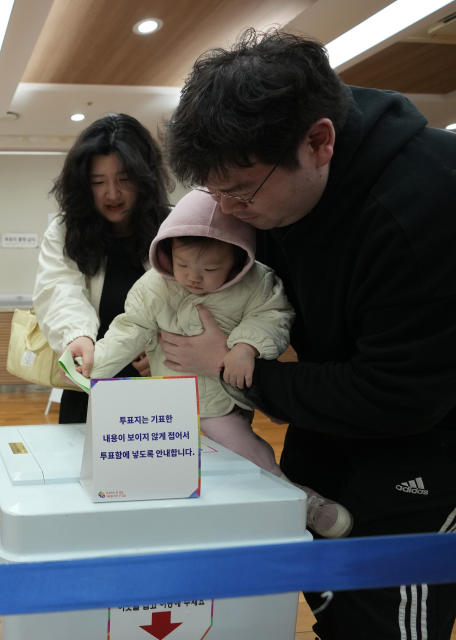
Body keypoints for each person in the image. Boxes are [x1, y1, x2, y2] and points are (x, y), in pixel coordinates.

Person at [163, 29, 456, 639]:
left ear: (319, 141)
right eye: (213, 192)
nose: (228, 207)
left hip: (426, 444)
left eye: (240, 190)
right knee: (326, 590)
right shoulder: (272, 189)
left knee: (384, 618)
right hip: (334, 427)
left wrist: (235, 368)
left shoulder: (419, 210)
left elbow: (398, 394)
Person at [81, 189, 350, 538]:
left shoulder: (258, 283)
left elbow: (273, 314)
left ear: (237, 260)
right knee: (155, 473)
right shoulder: (155, 287)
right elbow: (128, 329)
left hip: (219, 405)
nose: (193, 278)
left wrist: (245, 346)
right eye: (182, 265)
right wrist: (94, 364)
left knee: (246, 453)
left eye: (209, 268)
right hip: (167, 403)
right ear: (166, 255)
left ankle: (300, 501)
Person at [33, 113, 171, 423]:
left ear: (145, 178)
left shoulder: (172, 229)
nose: (112, 193)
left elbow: (195, 296)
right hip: (89, 382)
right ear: (83, 184)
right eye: (98, 182)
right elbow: (58, 290)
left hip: (161, 386)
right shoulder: (65, 231)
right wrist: (76, 336)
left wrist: (164, 349)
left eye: (124, 180)